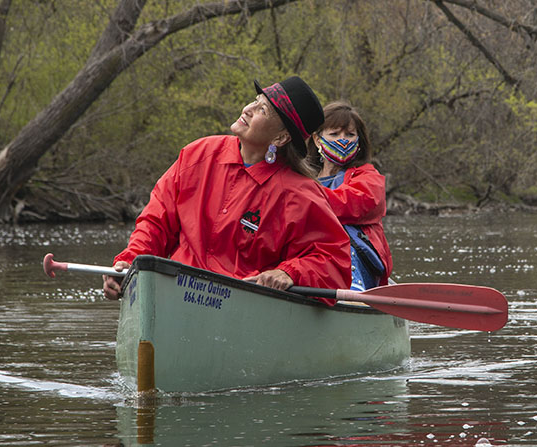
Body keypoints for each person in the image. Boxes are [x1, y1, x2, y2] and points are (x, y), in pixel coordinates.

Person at [102, 76, 351, 302]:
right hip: (176, 292)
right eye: (255, 101)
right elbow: (155, 223)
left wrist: (288, 272)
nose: (248, 109)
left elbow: (333, 261)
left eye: (262, 109)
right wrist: (130, 262)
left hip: (242, 302)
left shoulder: (301, 195)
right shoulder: (196, 155)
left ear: (281, 138)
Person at [307, 101, 393, 290]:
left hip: (355, 256)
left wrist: (304, 200)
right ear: (317, 139)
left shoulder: (368, 175)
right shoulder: (304, 178)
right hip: (312, 256)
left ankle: (354, 290)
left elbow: (357, 202)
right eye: (334, 134)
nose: (343, 140)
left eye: (350, 134)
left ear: (359, 141)